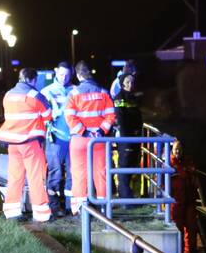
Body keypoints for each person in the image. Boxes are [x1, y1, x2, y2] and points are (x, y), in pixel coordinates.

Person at [0, 67, 52, 222]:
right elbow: (48, 115)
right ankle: (41, 214)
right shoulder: (35, 95)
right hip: (30, 142)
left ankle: (12, 211)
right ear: (33, 80)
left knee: (15, 176)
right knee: (36, 176)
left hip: (12, 143)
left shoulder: (8, 95)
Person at [65, 61, 115, 214]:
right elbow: (111, 115)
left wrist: (83, 132)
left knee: (79, 173)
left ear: (78, 75)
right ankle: (104, 207)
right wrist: (101, 130)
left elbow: (70, 116)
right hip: (99, 140)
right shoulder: (103, 92)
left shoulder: (74, 93)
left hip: (80, 140)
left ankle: (80, 208)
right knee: (102, 172)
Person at [41, 61, 74, 217]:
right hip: (56, 137)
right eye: (61, 74)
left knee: (73, 172)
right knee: (55, 172)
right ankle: (54, 205)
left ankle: (70, 205)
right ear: (55, 72)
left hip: (74, 137)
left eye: (67, 75)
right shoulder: (47, 91)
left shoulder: (75, 90)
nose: (64, 78)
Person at [113, 72, 143, 200]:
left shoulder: (133, 97)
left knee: (132, 166)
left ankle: (130, 196)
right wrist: (127, 138)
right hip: (126, 138)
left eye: (132, 82)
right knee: (124, 167)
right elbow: (121, 118)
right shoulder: (120, 97)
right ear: (122, 84)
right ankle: (125, 198)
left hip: (135, 137)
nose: (130, 85)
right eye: (127, 82)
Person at [170, 140, 200, 253]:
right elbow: (161, 182)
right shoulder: (169, 164)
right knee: (179, 227)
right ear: (172, 149)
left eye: (180, 149)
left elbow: (196, 180)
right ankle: (180, 252)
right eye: (176, 149)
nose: (178, 151)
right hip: (176, 201)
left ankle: (191, 251)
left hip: (190, 199)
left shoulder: (188, 162)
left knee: (192, 226)